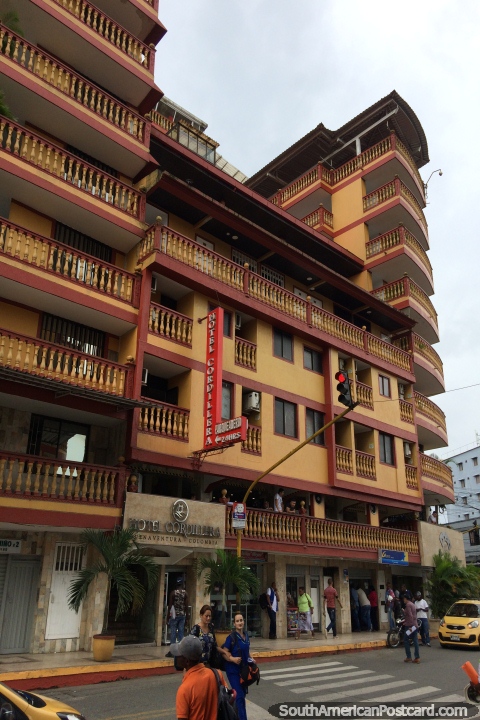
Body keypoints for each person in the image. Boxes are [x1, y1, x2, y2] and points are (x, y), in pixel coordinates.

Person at [170, 635, 227, 720]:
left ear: (187, 661)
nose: (176, 657)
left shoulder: (185, 689)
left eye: (179, 655)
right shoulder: (217, 674)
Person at [222, 612, 250, 720]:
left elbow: (247, 651)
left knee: (242, 696)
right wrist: (233, 659)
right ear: (234, 623)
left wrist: (252, 660)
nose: (240, 623)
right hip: (233, 671)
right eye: (237, 621)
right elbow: (224, 653)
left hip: (243, 671)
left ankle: (239, 716)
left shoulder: (246, 636)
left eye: (241, 620)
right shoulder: (231, 637)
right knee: (239, 697)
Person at [166, 577, 188, 657]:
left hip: (174, 616)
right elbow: (186, 606)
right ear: (182, 584)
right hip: (182, 615)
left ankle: (172, 651)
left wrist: (168, 616)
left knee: (173, 633)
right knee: (181, 633)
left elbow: (170, 606)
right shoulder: (185, 593)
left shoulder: (173, 593)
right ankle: (181, 651)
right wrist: (187, 617)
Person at [402, 594, 420, 663]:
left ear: (406, 599)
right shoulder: (412, 604)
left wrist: (410, 626)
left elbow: (410, 615)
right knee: (415, 640)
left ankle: (409, 656)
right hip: (414, 625)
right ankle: (417, 657)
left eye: (404, 599)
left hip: (410, 626)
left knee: (406, 639)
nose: (403, 600)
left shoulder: (408, 605)